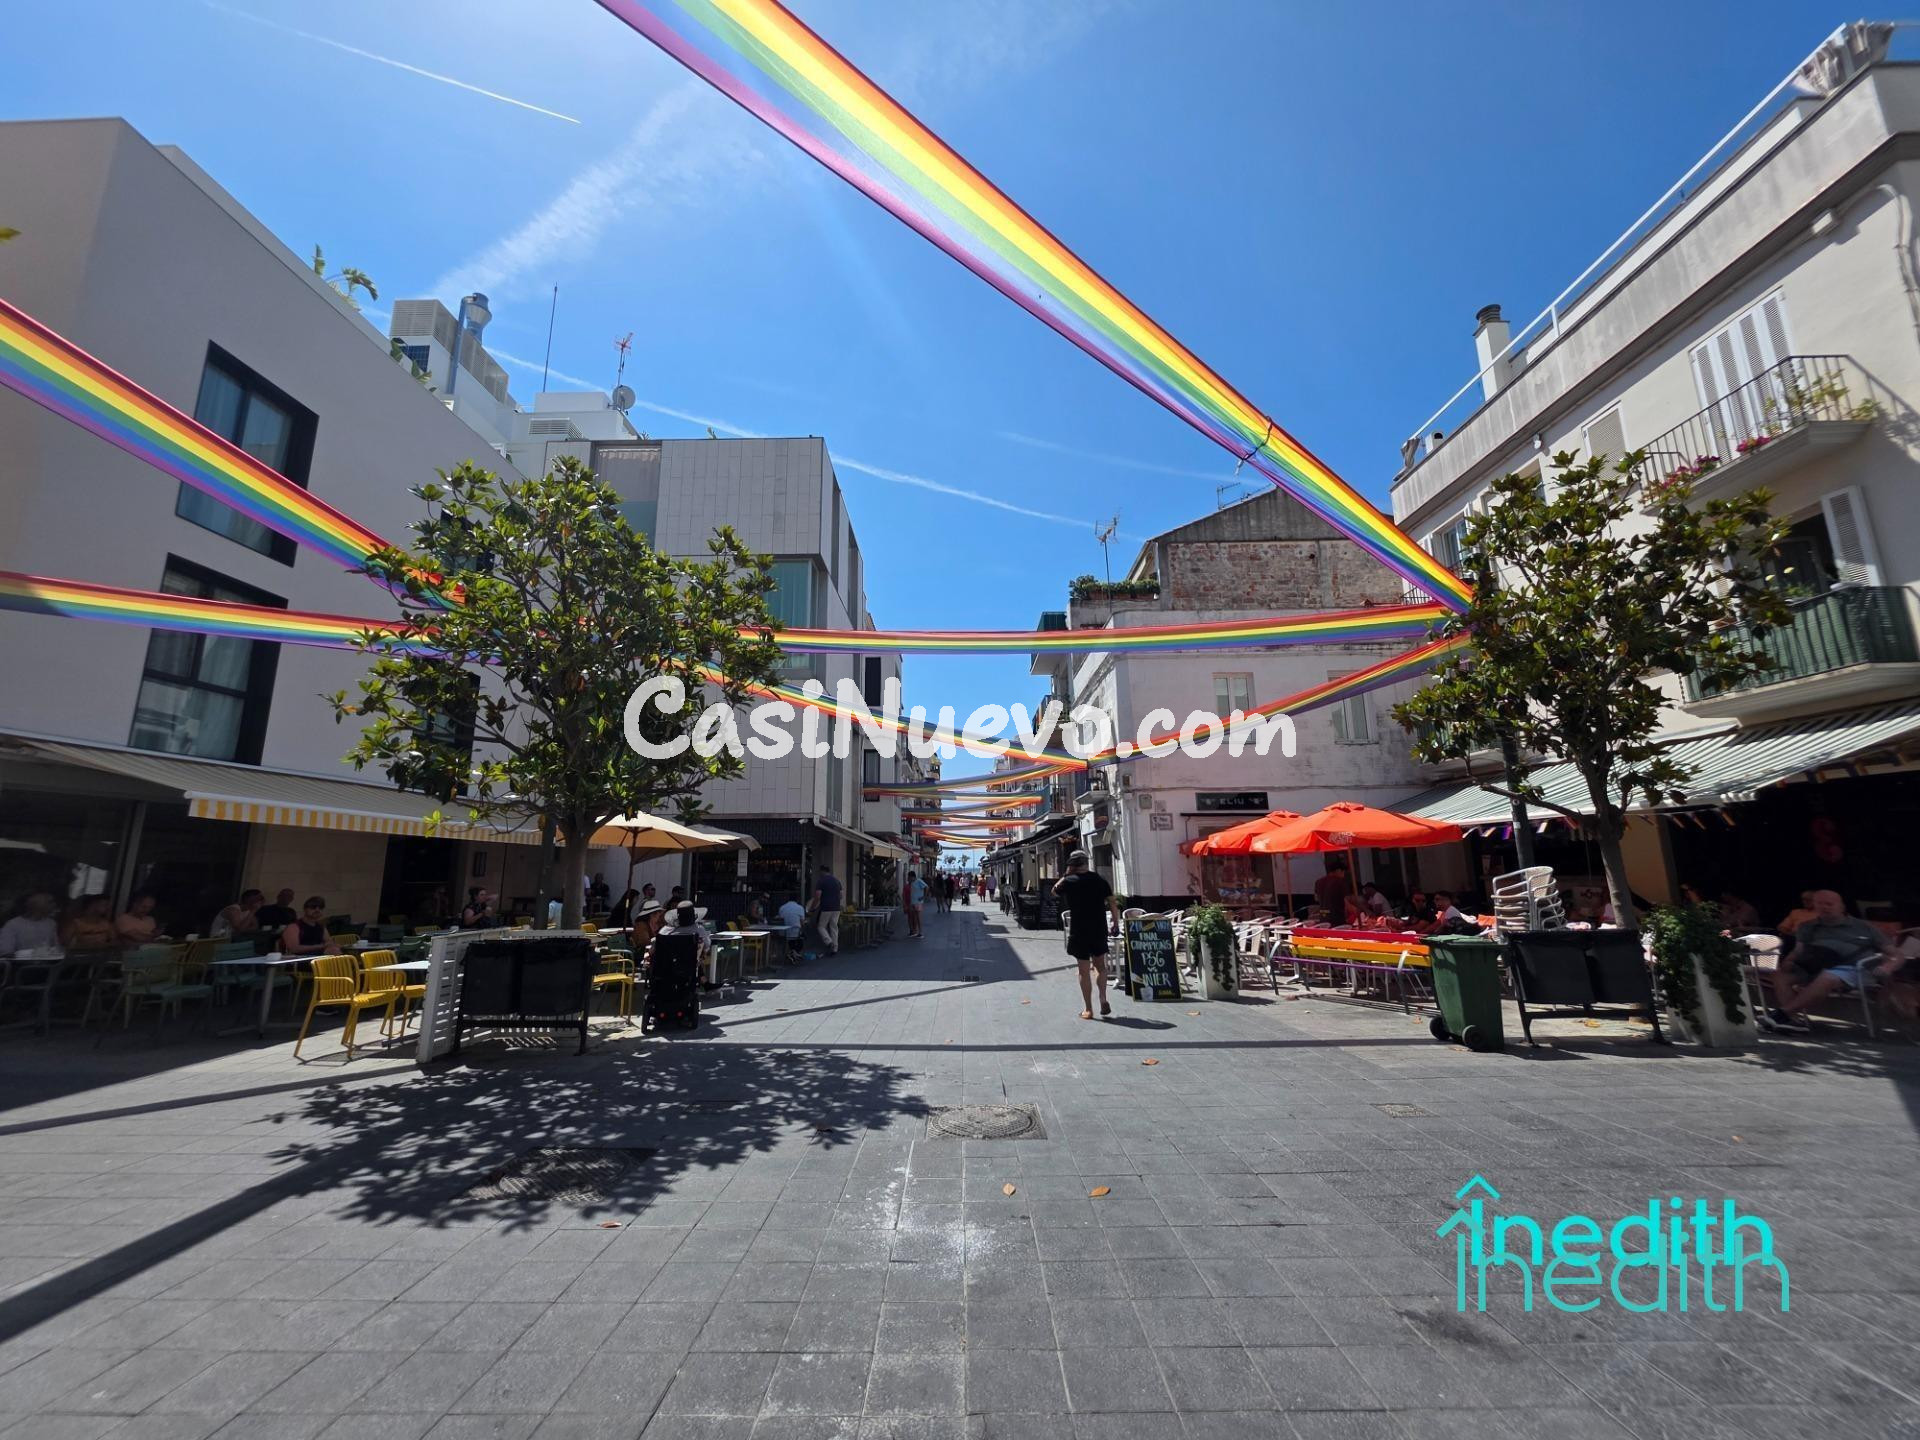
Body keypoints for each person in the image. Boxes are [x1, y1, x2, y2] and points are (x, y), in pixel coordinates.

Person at [1766, 889, 1893, 1033]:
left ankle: (1781, 1014)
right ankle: (1792, 1020)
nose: (1824, 907)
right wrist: (1788, 961)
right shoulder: (1807, 927)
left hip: (1854, 969)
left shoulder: (1864, 927)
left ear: (1842, 906)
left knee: (1828, 976)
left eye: (1829, 904)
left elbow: (1896, 954)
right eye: (1819, 904)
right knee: (1780, 975)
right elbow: (1798, 951)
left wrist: (1888, 967)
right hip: (1815, 967)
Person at [1053, 851, 1119, 1021]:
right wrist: (1116, 923)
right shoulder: (1100, 880)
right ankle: (1103, 998)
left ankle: (1089, 1009)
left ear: (1072, 865)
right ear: (1085, 863)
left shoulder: (1069, 881)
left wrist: (1066, 874)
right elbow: (1112, 902)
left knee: (1083, 970)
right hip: (1099, 928)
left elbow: (1054, 892)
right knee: (1100, 966)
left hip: (1079, 929)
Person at [0, 892, 59, 956]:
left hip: (50, 964)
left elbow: (56, 948)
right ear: (39, 905)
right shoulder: (12, 925)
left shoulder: (51, 923)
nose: (54, 905)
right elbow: (6, 951)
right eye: (50, 902)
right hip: (23, 964)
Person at [812, 868, 842, 955]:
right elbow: (841, 896)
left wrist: (813, 907)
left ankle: (829, 942)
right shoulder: (837, 881)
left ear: (822, 872)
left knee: (821, 926)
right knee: (834, 927)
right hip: (836, 907)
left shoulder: (821, 881)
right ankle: (835, 948)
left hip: (826, 907)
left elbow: (817, 896)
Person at [905, 871, 926, 938]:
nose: (908, 878)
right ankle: (914, 932)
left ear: (912, 877)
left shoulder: (919, 881)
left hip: (918, 902)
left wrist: (923, 897)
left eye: (909, 877)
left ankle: (920, 932)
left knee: (918, 918)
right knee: (912, 917)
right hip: (912, 902)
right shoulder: (911, 883)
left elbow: (926, 887)